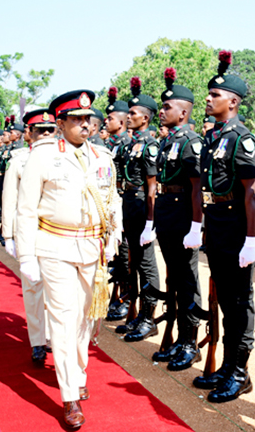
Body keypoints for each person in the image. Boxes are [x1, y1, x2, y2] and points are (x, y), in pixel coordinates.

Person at [16, 89, 121, 429]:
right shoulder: (43, 156)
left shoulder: (103, 157)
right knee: (62, 318)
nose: (84, 125)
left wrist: (114, 237)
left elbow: (113, 200)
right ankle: (69, 394)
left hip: (93, 248)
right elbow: (26, 209)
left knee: (85, 319)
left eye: (88, 119)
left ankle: (77, 371)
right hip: (54, 246)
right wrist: (27, 255)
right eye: (76, 119)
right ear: (60, 123)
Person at [192, 51, 255, 403]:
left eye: (215, 95)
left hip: (235, 226)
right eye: (209, 94)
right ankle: (229, 365)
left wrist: (251, 239)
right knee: (225, 302)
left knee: (238, 302)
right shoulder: (214, 137)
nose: (208, 98)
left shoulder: (240, 138)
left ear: (232, 102)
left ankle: (240, 371)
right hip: (216, 224)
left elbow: (252, 193)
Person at [152, 67, 204, 371]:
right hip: (168, 215)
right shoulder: (168, 142)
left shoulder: (190, 142)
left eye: (168, 107)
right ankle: (177, 338)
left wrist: (196, 226)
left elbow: (196, 188)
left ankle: (190, 342)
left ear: (183, 112)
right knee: (174, 277)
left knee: (187, 280)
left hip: (184, 216)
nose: (162, 111)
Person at [2, 109, 57, 364]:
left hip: (57, 234)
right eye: (40, 130)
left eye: (50, 129)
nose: (46, 134)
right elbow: (10, 200)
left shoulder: (65, 157)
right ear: (29, 134)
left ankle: (56, 338)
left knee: (57, 290)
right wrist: (9, 236)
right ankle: (37, 340)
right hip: (31, 234)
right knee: (34, 289)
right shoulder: (20, 160)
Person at [116, 77, 162, 342]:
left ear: (145, 118)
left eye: (133, 113)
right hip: (129, 205)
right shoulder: (131, 144)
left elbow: (152, 187)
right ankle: (135, 315)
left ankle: (149, 317)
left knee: (146, 264)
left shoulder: (150, 145)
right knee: (133, 261)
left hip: (143, 206)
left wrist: (150, 224)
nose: (128, 117)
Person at [103, 87, 133, 321]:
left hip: (127, 201)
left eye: (111, 118)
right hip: (116, 202)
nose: (106, 121)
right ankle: (120, 295)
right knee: (117, 252)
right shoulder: (113, 144)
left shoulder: (126, 143)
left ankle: (127, 298)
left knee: (125, 255)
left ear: (122, 122)